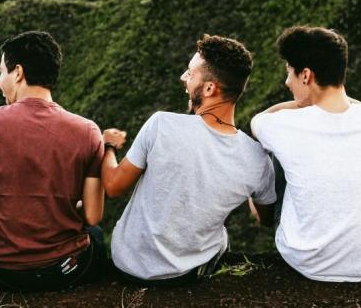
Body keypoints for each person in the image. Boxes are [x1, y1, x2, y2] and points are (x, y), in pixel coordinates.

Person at [102, 34, 276, 286]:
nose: (183, 77)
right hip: (186, 275)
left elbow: (113, 187)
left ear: (209, 88)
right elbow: (265, 219)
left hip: (128, 265)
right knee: (221, 235)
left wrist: (108, 146)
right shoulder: (257, 159)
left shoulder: (161, 124)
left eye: (190, 73)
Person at [250, 25, 361, 282]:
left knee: (275, 150)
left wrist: (302, 104)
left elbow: (258, 121)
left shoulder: (280, 125)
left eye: (289, 73)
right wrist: (349, 106)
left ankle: (268, 220)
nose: (286, 82)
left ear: (306, 75)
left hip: (306, 261)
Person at [0, 30, 107, 292]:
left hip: (3, 272)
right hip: (65, 271)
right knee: (95, 236)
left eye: (1, 72)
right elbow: (93, 215)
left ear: (18, 72)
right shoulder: (88, 131)